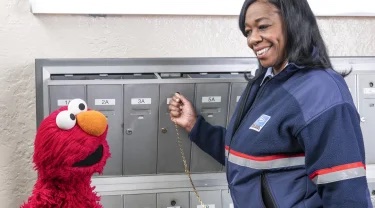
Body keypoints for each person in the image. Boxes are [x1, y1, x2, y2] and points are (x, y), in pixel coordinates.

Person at [169, 0, 373, 207]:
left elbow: (346, 193)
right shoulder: (265, 82)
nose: (252, 39)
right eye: (248, 32)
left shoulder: (321, 90)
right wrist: (194, 125)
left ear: (294, 23)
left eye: (263, 26)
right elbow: (247, 155)